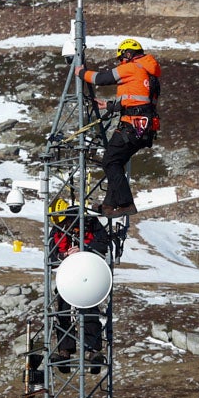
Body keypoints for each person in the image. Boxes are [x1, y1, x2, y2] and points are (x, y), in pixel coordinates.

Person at [78, 38, 161, 218]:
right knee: (115, 161)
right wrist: (109, 106)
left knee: (110, 161)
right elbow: (136, 101)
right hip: (144, 128)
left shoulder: (132, 67)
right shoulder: (149, 74)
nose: (120, 62)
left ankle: (125, 203)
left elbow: (101, 78)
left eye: (121, 58)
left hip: (132, 126)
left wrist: (81, 72)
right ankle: (109, 205)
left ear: (128, 54)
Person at [48, 201, 111, 373]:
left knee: (89, 310)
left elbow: (104, 244)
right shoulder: (57, 230)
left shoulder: (90, 223)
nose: (62, 226)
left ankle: (92, 350)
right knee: (63, 310)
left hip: (88, 276)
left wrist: (83, 250)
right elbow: (50, 255)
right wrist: (64, 255)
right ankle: (65, 351)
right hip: (68, 277)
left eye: (64, 222)